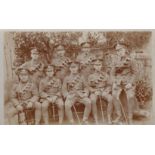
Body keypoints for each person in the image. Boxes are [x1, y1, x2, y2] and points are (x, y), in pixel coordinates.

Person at [111, 42, 135, 124]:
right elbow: (112, 74)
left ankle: (130, 117)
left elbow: (135, 73)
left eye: (120, 50)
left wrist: (131, 83)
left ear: (125, 49)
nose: (118, 52)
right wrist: (114, 82)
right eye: (117, 51)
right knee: (114, 95)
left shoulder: (131, 60)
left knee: (131, 96)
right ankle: (119, 116)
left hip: (128, 82)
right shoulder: (115, 60)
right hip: (118, 82)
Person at [88, 59, 113, 124]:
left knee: (110, 99)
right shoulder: (90, 76)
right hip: (95, 92)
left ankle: (109, 117)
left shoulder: (105, 75)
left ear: (101, 66)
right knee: (92, 100)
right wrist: (94, 91)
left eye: (99, 65)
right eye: (96, 65)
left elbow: (109, 85)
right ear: (94, 66)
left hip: (104, 91)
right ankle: (95, 118)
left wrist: (106, 91)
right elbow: (88, 87)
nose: (98, 66)